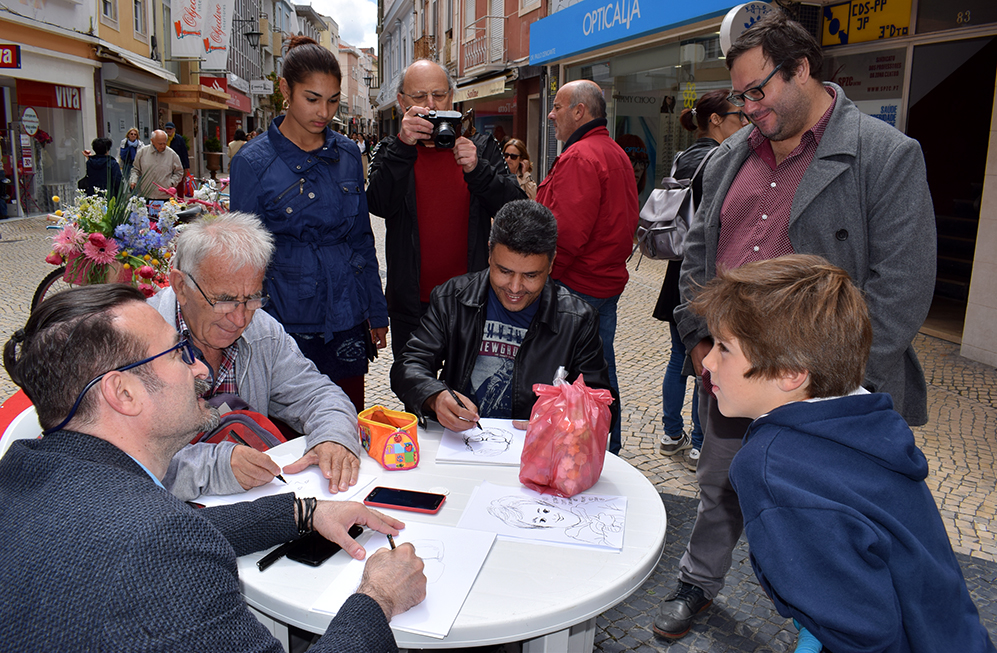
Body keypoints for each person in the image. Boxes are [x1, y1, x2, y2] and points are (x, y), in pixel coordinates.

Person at [653, 12, 937, 639]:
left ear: (803, 68)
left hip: (827, 397)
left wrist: (824, 385)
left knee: (829, 525)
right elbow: (698, 259)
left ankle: (838, 625)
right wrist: (702, 340)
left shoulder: (885, 156)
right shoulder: (730, 157)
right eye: (740, 95)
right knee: (720, 486)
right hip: (735, 376)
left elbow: (903, 290)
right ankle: (698, 581)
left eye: (761, 90)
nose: (749, 107)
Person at [0, 284, 427, 652]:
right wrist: (379, 598)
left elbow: (165, 530)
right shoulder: (158, 549)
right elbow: (163, 542)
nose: (201, 368)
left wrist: (305, 513)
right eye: (179, 354)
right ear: (124, 394)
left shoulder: (26, 469)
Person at [689, 254, 994, 652]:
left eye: (725, 348)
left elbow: (860, 631)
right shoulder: (868, 422)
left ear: (789, 373)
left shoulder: (771, 467)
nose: (708, 361)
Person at [149, 212, 365, 500]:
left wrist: (333, 438)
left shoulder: (262, 329)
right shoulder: (138, 343)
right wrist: (217, 467)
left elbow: (318, 395)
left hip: (251, 507)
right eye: (224, 300)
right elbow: (120, 461)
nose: (240, 319)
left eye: (252, 298)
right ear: (180, 286)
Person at [231, 36, 388, 413]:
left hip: (347, 311)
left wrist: (375, 310)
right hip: (284, 318)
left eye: (332, 100)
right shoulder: (253, 163)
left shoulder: (348, 153)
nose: (325, 111)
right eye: (312, 98)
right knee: (289, 433)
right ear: (286, 89)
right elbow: (244, 256)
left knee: (347, 417)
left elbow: (361, 238)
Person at [390, 200, 616, 434]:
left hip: (536, 452)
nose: (515, 288)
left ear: (551, 264)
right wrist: (434, 396)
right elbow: (408, 364)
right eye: (504, 271)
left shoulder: (576, 319)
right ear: (489, 253)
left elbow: (604, 404)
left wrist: (558, 421)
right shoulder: (453, 298)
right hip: (460, 442)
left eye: (530, 275)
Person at [367, 59, 526, 359]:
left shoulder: (482, 146)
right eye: (419, 97)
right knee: (414, 390)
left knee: (467, 394)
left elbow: (516, 208)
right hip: (411, 308)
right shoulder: (391, 149)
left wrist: (479, 170)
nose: (430, 105)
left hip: (471, 304)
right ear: (401, 102)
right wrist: (403, 146)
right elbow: (378, 204)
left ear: (452, 97)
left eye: (439, 95)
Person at [536, 79, 639, 456]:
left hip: (577, 287)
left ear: (580, 111)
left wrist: (542, 283)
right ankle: (605, 448)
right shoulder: (612, 152)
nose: (551, 114)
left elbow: (565, 236)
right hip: (602, 284)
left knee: (578, 377)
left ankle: (589, 450)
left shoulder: (581, 156)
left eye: (558, 107)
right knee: (599, 370)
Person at [654, 90, 748, 471]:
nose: (742, 122)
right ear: (715, 120)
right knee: (705, 359)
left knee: (680, 355)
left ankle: (670, 432)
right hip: (704, 271)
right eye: (736, 116)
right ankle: (698, 443)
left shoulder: (683, 156)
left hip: (679, 268)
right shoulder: (719, 158)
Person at [130, 129, 183, 200]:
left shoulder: (172, 154)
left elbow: (179, 172)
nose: (163, 146)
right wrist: (133, 180)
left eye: (165, 143)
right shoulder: (142, 153)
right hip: (146, 195)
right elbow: (136, 169)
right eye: (160, 144)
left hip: (165, 196)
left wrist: (171, 183)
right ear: (152, 141)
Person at [164, 121, 191, 196]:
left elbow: (184, 153)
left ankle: (180, 200)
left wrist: (186, 166)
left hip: (178, 164)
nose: (169, 130)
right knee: (168, 183)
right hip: (166, 164)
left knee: (179, 183)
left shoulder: (179, 139)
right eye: (167, 128)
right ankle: (169, 200)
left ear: (174, 129)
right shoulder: (163, 139)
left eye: (170, 129)